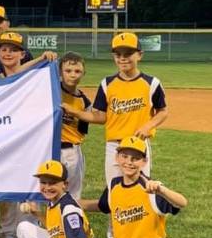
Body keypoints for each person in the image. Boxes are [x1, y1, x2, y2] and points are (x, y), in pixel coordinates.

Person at [82, 136, 188, 238]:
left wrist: (162, 191)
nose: (129, 162)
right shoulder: (113, 185)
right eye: (124, 156)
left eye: (135, 158)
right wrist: (75, 203)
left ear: (144, 162)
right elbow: (103, 205)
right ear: (117, 158)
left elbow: (182, 203)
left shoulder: (150, 188)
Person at [62, 32, 168, 185]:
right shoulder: (107, 84)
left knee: (140, 187)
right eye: (118, 54)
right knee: (114, 188)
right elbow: (100, 116)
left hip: (138, 144)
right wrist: (76, 112)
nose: (122, 58)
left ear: (140, 55)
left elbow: (163, 111)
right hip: (114, 145)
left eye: (128, 53)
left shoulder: (152, 83)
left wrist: (148, 126)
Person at [0, 31, 58, 238]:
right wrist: (38, 59)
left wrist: (42, 60)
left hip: (30, 141)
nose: (8, 53)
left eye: (13, 49)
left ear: (22, 53)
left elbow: (20, 76)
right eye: (4, 49)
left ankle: (30, 231)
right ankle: (8, 235)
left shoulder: (35, 77)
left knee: (31, 187)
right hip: (4, 143)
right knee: (5, 191)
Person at [58, 52, 90, 199]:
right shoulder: (52, 91)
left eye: (77, 71)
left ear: (83, 74)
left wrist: (74, 113)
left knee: (72, 193)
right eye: (68, 71)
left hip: (71, 151)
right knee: (44, 190)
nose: (73, 75)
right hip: (48, 148)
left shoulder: (85, 102)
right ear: (60, 72)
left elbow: (82, 131)